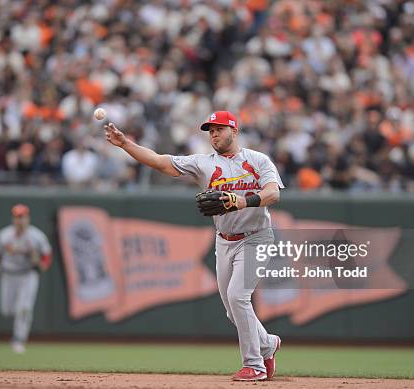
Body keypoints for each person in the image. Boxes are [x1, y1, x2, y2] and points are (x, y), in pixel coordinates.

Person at [104, 111, 283, 381]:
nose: (213, 134)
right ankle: (267, 344)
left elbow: (273, 193)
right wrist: (125, 144)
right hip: (224, 241)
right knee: (231, 308)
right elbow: (160, 162)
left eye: (219, 129)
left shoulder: (258, 160)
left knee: (238, 297)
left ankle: (254, 364)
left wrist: (241, 201)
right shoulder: (203, 163)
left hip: (256, 236)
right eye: (210, 130)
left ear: (234, 131)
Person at [0, 204, 52, 353]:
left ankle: (18, 339)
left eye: (23, 217)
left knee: (24, 308)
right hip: (9, 274)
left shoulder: (37, 236)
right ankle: (17, 334)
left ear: (28, 218)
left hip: (28, 274)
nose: (20, 220)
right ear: (13, 219)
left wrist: (43, 264)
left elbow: (47, 255)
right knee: (6, 310)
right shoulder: (4, 235)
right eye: (18, 217)